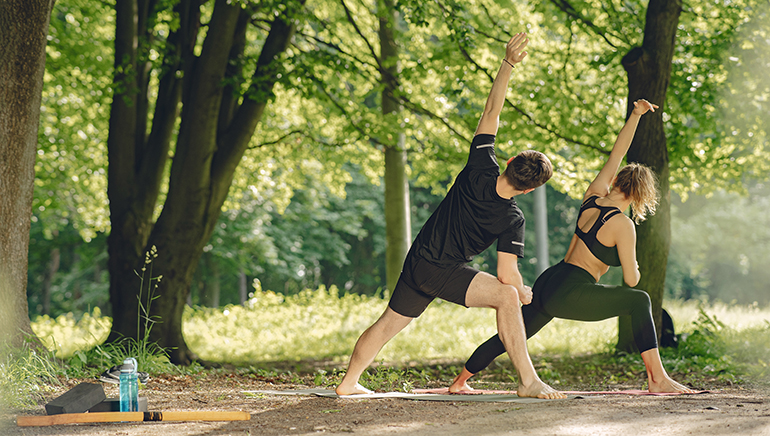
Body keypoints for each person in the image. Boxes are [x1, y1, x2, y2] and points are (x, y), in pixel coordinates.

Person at [335, 32, 565, 399]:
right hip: (442, 270)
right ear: (529, 190)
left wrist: (507, 63)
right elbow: (507, 275)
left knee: (388, 324)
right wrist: (522, 291)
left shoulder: (480, 165)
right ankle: (528, 382)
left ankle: (348, 384)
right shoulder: (512, 218)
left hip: (419, 259)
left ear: (508, 162)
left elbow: (492, 111)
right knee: (506, 297)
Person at [449, 99, 696, 394]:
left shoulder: (594, 195)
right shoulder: (623, 225)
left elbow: (617, 153)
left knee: (513, 334)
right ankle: (657, 379)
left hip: (552, 279)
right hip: (573, 289)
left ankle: (460, 381)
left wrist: (636, 115)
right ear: (641, 196)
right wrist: (635, 262)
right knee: (639, 299)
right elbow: (631, 280)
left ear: (616, 180)